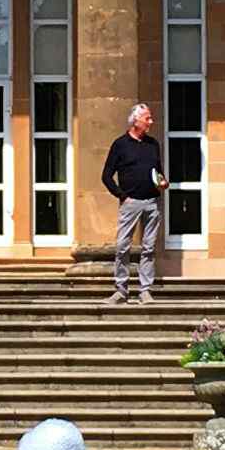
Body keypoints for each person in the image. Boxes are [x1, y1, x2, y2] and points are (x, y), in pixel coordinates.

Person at [100, 103, 167, 304]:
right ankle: (121, 290)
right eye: (147, 118)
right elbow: (106, 176)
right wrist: (121, 195)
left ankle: (145, 290)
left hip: (152, 202)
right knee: (122, 247)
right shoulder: (120, 145)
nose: (151, 122)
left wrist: (163, 182)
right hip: (130, 203)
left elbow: (158, 171)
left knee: (148, 248)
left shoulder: (153, 144)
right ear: (136, 120)